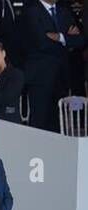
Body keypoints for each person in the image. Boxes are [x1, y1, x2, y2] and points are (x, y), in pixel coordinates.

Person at [18, 0, 87, 131]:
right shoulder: (31, 12)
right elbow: (41, 43)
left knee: (59, 122)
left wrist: (60, 37)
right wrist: (67, 41)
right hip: (40, 77)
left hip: (61, 77)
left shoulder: (63, 11)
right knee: (40, 121)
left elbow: (80, 40)